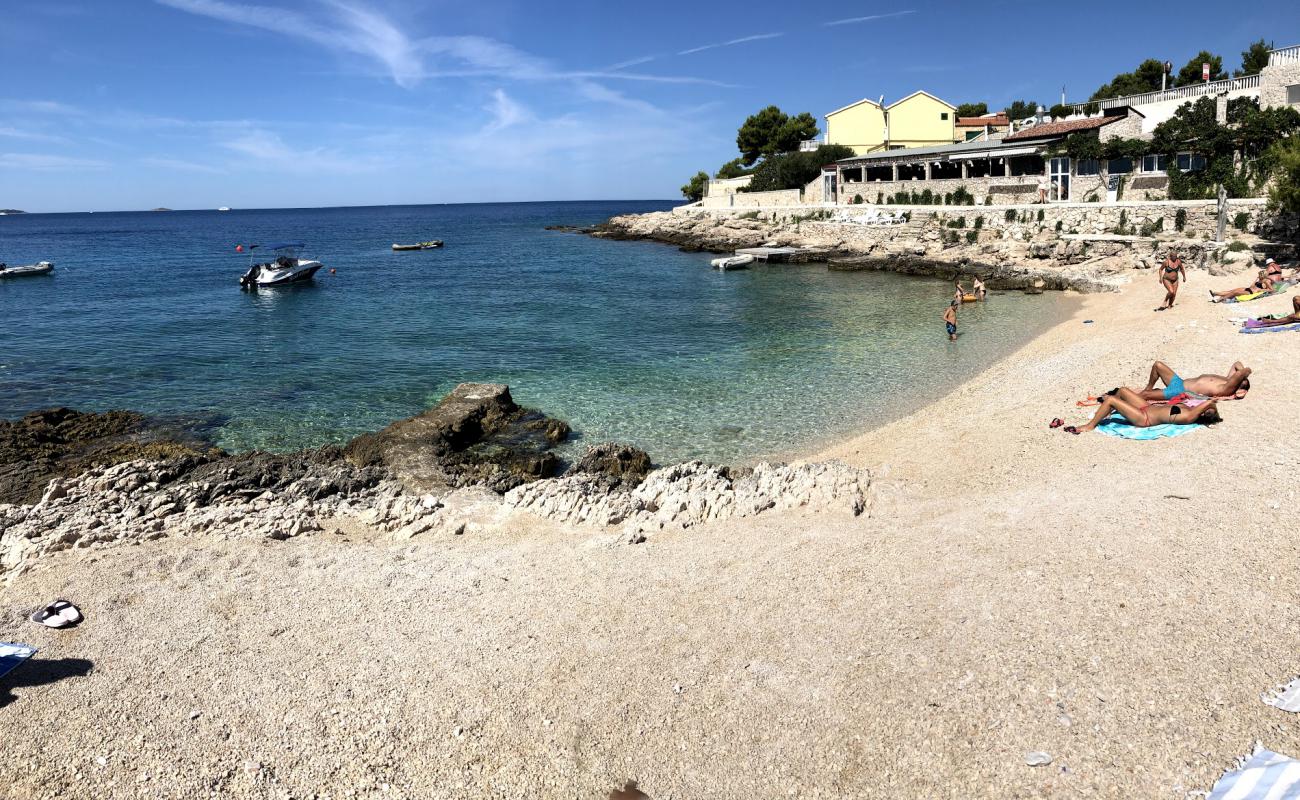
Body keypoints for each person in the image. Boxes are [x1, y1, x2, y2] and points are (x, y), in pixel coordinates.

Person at [1070, 387, 1220, 433]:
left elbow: (1210, 402)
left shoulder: (1190, 416)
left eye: (1209, 412)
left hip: (1144, 418)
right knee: (1122, 391)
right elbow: (1208, 403)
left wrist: (1213, 408)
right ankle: (1107, 411)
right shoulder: (1190, 409)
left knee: (1111, 399)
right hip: (1147, 408)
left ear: (1204, 416)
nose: (1208, 408)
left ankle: (1090, 425)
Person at [1138, 360, 1251, 401]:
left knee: (1145, 395)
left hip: (1180, 391)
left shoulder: (1226, 388)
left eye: (1239, 379)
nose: (1237, 376)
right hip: (1179, 382)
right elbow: (1237, 363)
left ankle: (1123, 405)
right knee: (1158, 365)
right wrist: (1245, 374)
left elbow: (1241, 372)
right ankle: (1149, 387)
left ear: (1236, 385)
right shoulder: (1227, 379)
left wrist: (1246, 372)